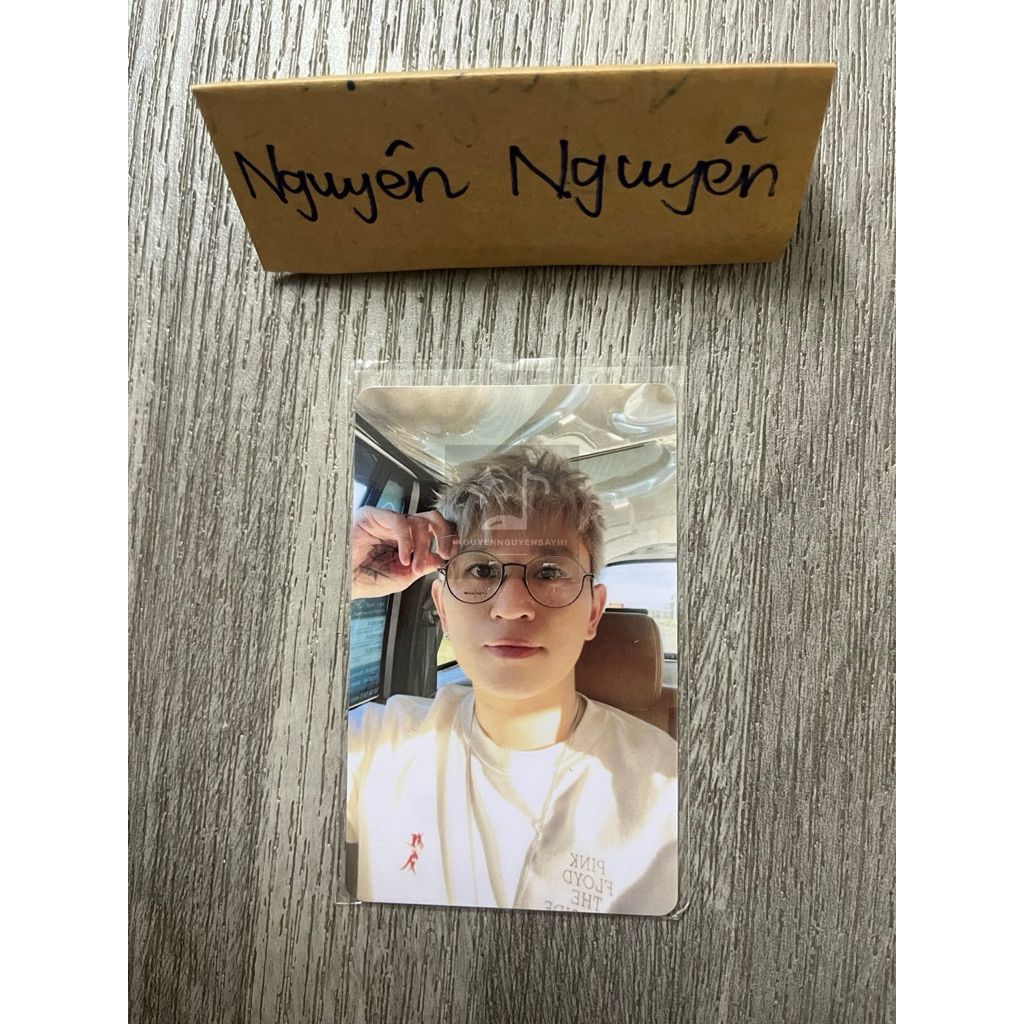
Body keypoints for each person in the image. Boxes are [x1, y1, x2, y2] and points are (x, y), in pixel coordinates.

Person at [346, 447, 678, 915]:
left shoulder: (669, 785)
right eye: (482, 570)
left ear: (593, 612)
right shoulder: (376, 746)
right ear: (442, 609)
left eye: (549, 572)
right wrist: (333, 573)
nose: (512, 606)